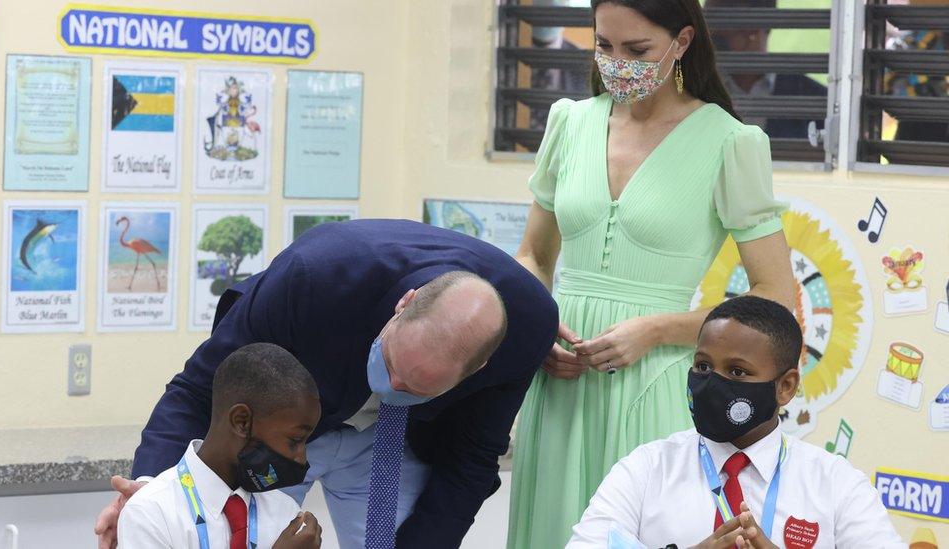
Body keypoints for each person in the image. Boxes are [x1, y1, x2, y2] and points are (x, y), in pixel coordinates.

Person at [508, 1, 795, 547]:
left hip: (655, 379)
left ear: (682, 42)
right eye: (603, 46)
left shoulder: (730, 142)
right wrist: (536, 325)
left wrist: (658, 330)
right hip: (560, 378)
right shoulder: (568, 122)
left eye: (636, 50)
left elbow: (775, 297)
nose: (617, 63)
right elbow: (535, 256)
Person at [96, 219, 559, 549]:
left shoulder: (526, 331)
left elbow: (472, 460)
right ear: (405, 304)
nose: (394, 385)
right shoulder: (315, 275)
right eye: (394, 363)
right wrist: (150, 492)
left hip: (394, 442)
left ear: (476, 370)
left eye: (416, 387)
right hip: (286, 433)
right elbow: (201, 387)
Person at [567, 296, 906, 548]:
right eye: (702, 366)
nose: (712, 383)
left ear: (785, 387)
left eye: (737, 371)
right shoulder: (646, 468)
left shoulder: (836, 485)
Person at [117, 343, 323, 548]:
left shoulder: (285, 512)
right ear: (241, 422)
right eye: (295, 440)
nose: (302, 458)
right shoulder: (150, 513)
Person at [705, 0, 828, 139]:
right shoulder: (696, 92)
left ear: (753, 28)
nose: (707, 34)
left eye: (716, 25)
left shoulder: (815, 101)